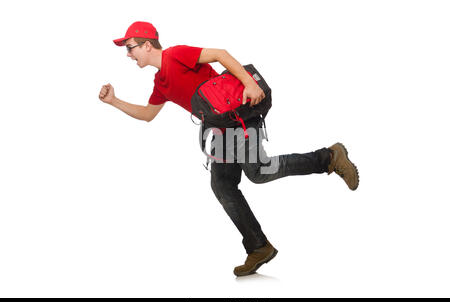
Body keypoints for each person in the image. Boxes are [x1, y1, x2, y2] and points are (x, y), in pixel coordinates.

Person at [99, 21, 359, 277]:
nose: (128, 54)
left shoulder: (176, 55)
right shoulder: (160, 83)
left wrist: (249, 83)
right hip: (219, 127)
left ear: (146, 45)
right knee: (222, 184)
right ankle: (259, 247)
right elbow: (147, 114)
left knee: (258, 171)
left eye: (130, 47)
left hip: (239, 114)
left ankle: (329, 157)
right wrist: (113, 101)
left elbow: (220, 55)